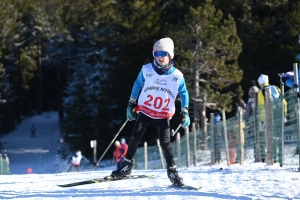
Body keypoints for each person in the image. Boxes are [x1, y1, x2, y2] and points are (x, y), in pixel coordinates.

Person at [111, 37, 190, 186]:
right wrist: (131, 103)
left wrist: (184, 111)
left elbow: (184, 93)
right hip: (146, 110)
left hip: (163, 113)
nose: (160, 57)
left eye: (163, 53)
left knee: (165, 142)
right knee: (135, 136)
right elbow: (137, 84)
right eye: (157, 53)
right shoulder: (146, 70)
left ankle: (172, 172)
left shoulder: (177, 76)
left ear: (170, 56)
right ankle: (126, 166)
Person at [257, 74, 287, 163]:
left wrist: (263, 120)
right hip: (279, 113)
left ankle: (273, 158)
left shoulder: (261, 91)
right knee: (279, 136)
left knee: (271, 137)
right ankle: (280, 156)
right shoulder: (276, 88)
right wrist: (284, 112)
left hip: (269, 116)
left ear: (260, 83)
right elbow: (283, 100)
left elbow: (262, 106)